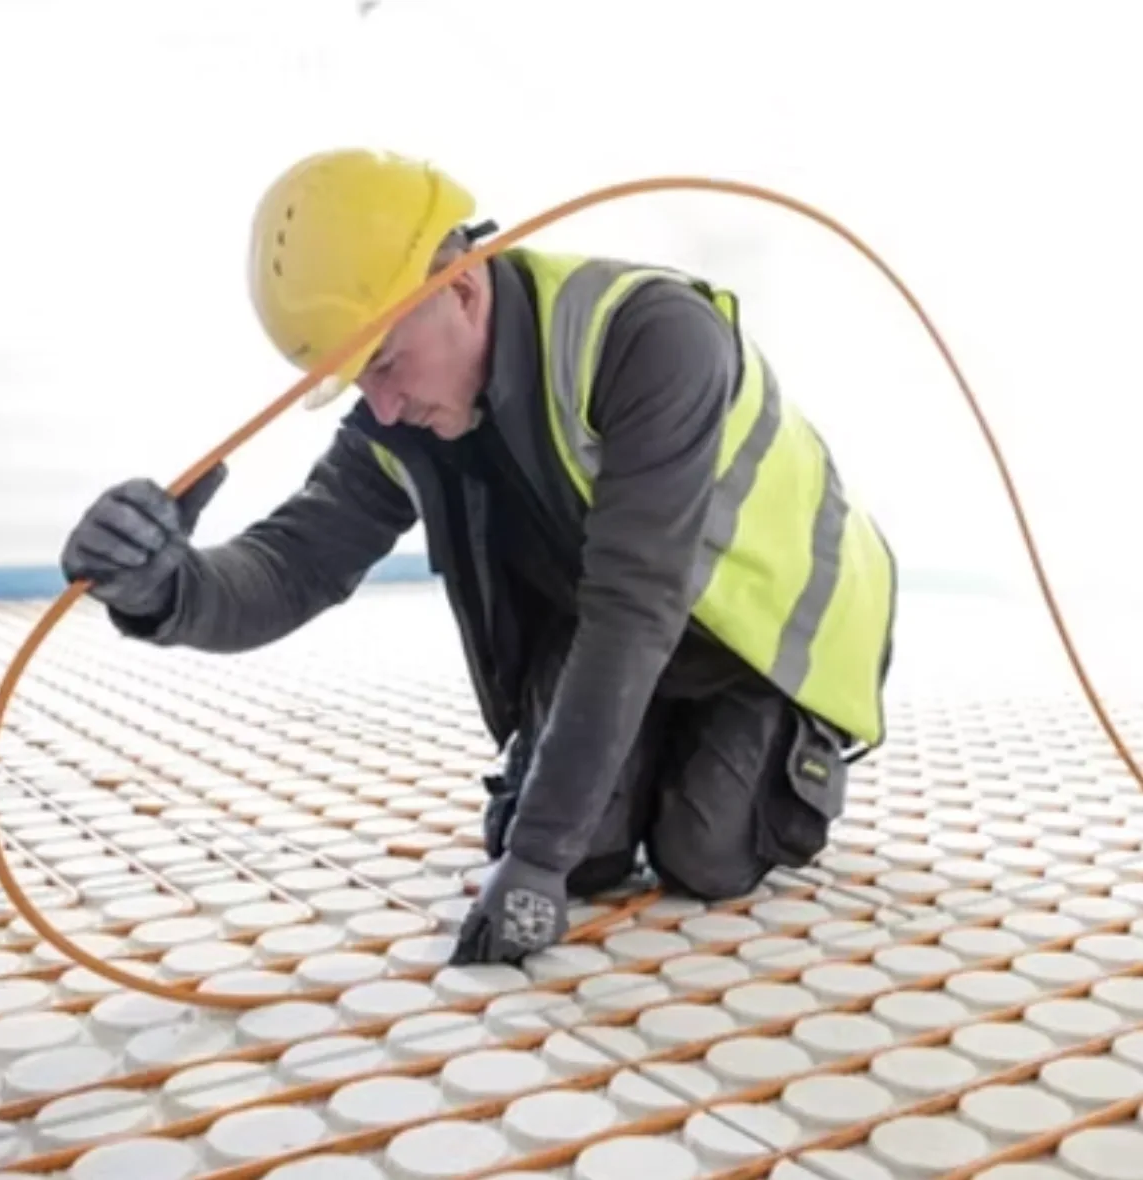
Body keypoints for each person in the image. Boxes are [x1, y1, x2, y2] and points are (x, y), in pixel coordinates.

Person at [59, 148, 898, 966]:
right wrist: (163, 588)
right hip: (629, 634)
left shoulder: (650, 340)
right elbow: (294, 565)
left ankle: (780, 747)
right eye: (357, 381)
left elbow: (634, 607)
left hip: (765, 644)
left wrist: (535, 858)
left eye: (384, 362)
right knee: (591, 857)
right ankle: (641, 760)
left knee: (703, 856)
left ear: (460, 288)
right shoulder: (406, 411)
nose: (379, 403)